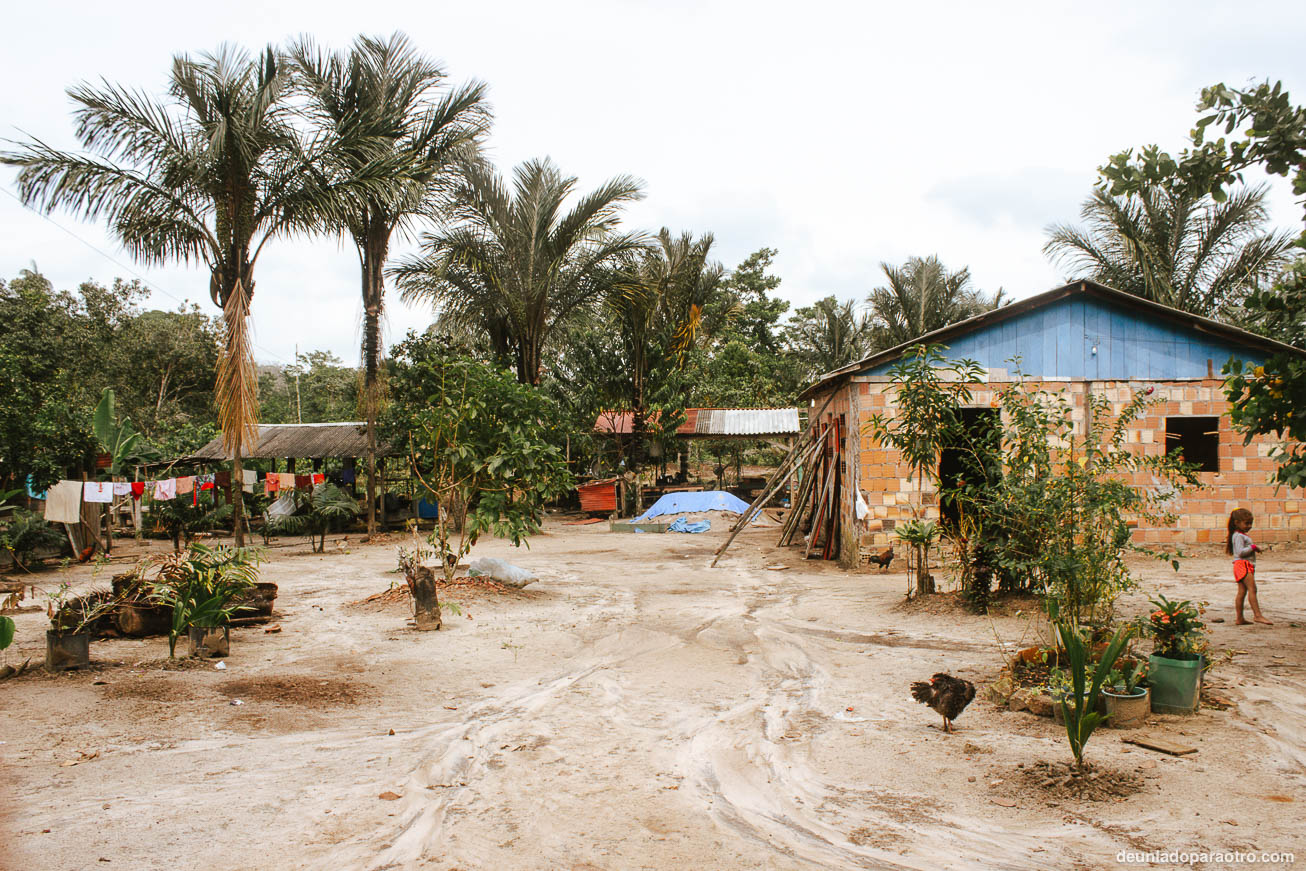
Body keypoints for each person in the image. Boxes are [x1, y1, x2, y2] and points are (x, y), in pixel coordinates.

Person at [1227, 508, 1272, 626]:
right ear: (1237, 522)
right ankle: (1257, 615)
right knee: (1253, 589)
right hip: (1243, 565)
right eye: (1246, 523)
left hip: (1241, 565)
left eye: (1250, 523)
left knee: (1242, 591)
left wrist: (1253, 548)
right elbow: (1240, 552)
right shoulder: (1238, 536)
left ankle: (1240, 618)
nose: (1249, 526)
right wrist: (1253, 547)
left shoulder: (1240, 535)